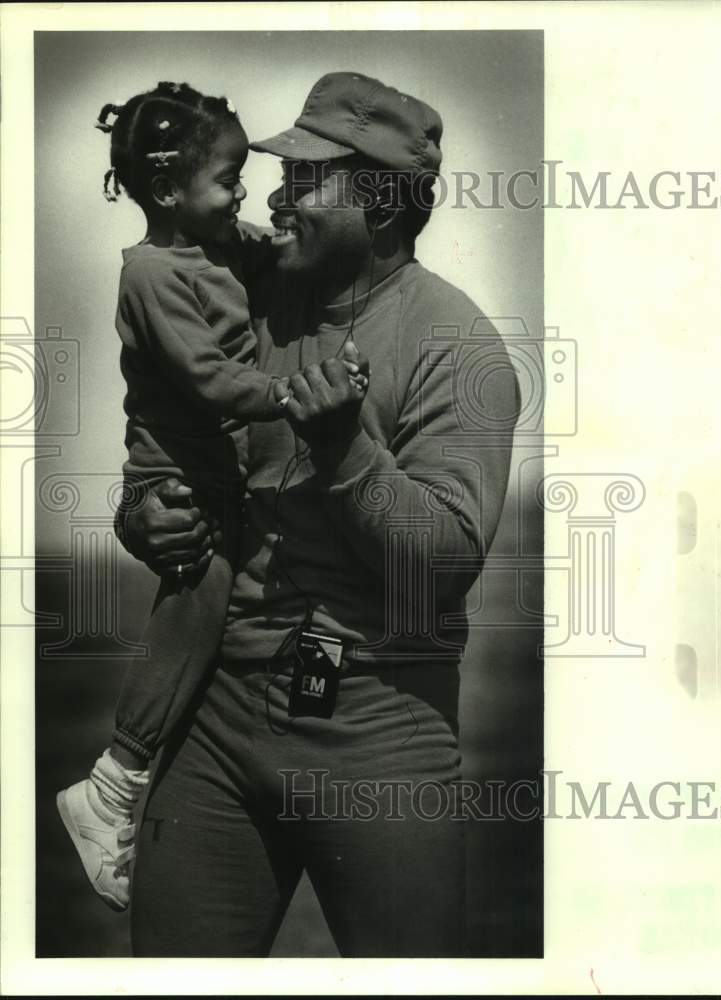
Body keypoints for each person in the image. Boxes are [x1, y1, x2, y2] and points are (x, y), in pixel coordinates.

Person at [119, 72, 520, 957]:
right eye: (280, 177)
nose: (273, 196)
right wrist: (142, 515)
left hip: (382, 726)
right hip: (216, 721)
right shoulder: (239, 297)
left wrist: (346, 448)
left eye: (306, 181)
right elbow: (160, 436)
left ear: (378, 207)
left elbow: (443, 565)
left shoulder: (461, 347)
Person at [55, 79, 367, 912]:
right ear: (165, 192)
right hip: (174, 467)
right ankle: (114, 779)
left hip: (217, 474)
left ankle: (125, 777)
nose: (243, 197)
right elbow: (204, 376)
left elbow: (269, 255)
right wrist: (287, 393)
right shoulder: (152, 274)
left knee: (205, 604)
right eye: (228, 181)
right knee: (199, 601)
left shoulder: (221, 247)